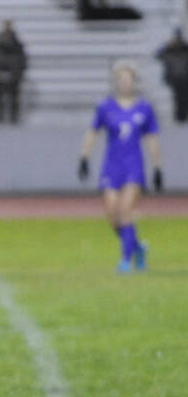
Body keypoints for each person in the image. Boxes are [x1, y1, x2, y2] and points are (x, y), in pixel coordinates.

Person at [78, 60, 164, 272]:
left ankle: (126, 260)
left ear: (135, 81)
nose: (125, 82)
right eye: (121, 79)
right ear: (116, 82)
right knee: (113, 215)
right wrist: (84, 158)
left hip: (133, 166)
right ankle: (138, 247)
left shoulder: (144, 108)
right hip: (112, 166)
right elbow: (93, 132)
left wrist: (157, 167)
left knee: (126, 210)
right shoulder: (106, 107)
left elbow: (152, 139)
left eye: (129, 78)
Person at [0, 20, 27, 125]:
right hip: (0, 77)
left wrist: (16, 73)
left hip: (14, 76)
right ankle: (0, 118)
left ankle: (14, 118)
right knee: (0, 99)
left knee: (14, 99)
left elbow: (22, 61)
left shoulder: (17, 46)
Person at [154, 28, 188, 124]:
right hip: (174, 78)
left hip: (185, 78)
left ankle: (183, 116)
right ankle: (180, 117)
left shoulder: (185, 48)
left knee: (184, 97)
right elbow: (157, 55)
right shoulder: (169, 49)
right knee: (177, 98)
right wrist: (167, 44)